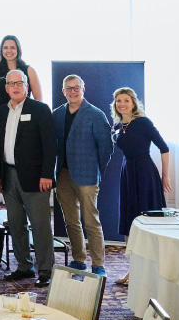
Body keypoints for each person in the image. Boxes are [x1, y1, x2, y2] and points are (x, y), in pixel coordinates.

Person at [0, 69, 57, 287]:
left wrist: (48, 174)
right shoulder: (2, 112)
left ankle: (46, 270)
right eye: (11, 83)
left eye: (19, 83)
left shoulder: (39, 109)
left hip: (36, 177)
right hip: (9, 175)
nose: (15, 87)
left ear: (27, 85)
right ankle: (24, 266)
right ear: (6, 88)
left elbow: (50, 145)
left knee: (39, 225)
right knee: (16, 224)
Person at [52, 74, 112, 276]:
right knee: (71, 220)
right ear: (63, 92)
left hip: (87, 175)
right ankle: (79, 260)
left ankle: (98, 264)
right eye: (68, 88)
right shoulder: (57, 114)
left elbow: (106, 147)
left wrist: (97, 170)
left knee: (91, 221)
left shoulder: (96, 114)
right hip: (63, 175)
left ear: (83, 90)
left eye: (76, 88)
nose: (72, 91)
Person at [111, 87, 170, 286]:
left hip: (145, 173)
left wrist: (165, 177)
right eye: (118, 101)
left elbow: (164, 148)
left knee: (147, 220)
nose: (122, 104)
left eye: (126, 100)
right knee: (129, 221)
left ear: (133, 103)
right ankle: (133, 270)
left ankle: (154, 270)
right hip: (127, 172)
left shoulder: (143, 122)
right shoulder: (118, 125)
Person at [0, 35, 43, 114]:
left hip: (25, 116)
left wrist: (32, 115)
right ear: (1, 50)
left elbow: (38, 98)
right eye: (5, 48)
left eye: (12, 48)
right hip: (6, 119)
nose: (9, 51)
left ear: (18, 50)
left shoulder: (29, 70)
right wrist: (3, 116)